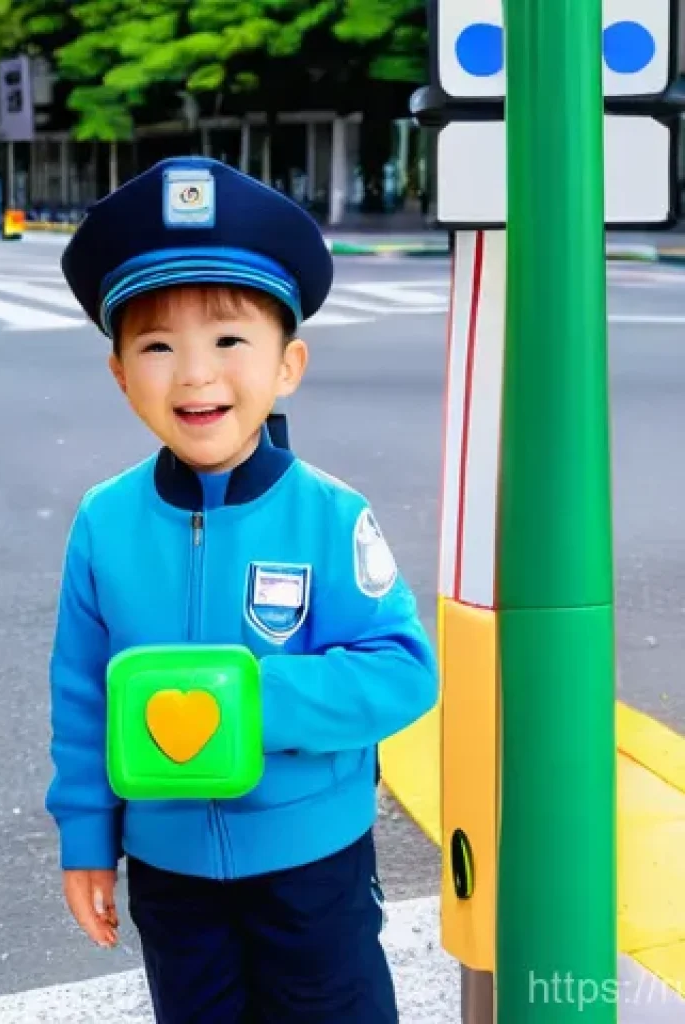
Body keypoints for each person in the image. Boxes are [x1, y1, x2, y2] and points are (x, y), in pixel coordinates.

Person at [46, 156, 439, 1023]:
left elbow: (403, 671)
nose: (195, 375)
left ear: (288, 364)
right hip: (170, 869)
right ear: (120, 373)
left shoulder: (329, 515)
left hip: (314, 863)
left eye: (229, 342)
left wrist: (249, 701)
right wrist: (86, 837)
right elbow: (81, 695)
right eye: (157, 346)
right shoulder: (105, 522)